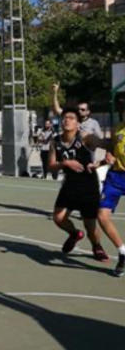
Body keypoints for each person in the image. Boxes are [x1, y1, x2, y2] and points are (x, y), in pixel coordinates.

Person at [48, 107, 109, 262]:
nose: (67, 120)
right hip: (69, 185)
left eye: (71, 118)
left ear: (77, 124)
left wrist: (102, 161)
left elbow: (107, 145)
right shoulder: (55, 142)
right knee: (58, 218)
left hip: (88, 186)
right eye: (65, 118)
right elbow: (51, 165)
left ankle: (97, 246)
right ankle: (74, 234)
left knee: (90, 225)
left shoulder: (85, 138)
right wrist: (65, 163)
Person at [96, 99, 125, 277]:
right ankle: (123, 252)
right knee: (102, 214)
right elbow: (114, 149)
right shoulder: (118, 128)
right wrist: (107, 155)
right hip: (116, 177)